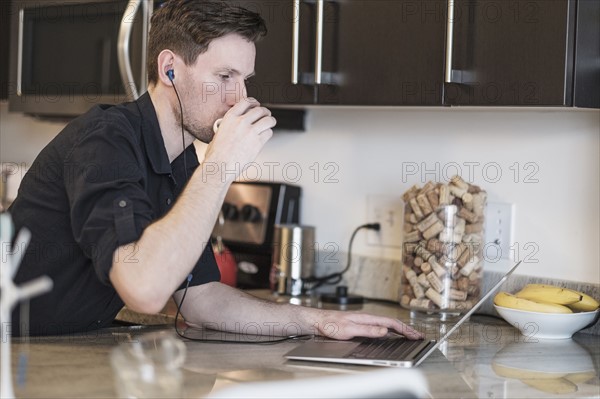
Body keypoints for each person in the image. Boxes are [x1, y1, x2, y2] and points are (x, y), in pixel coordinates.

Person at [8, 0, 422, 340]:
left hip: (63, 350)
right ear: (169, 68)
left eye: (244, 79)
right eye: (224, 76)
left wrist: (315, 320)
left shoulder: (184, 160)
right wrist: (221, 165)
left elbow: (202, 298)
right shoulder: (104, 141)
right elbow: (145, 290)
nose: (239, 97)